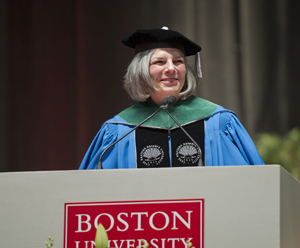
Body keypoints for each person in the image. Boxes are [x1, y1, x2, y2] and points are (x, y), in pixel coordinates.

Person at [79, 27, 263, 169]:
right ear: (141, 71)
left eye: (178, 61)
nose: (171, 68)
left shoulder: (218, 122)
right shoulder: (120, 130)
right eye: (159, 62)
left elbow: (251, 183)